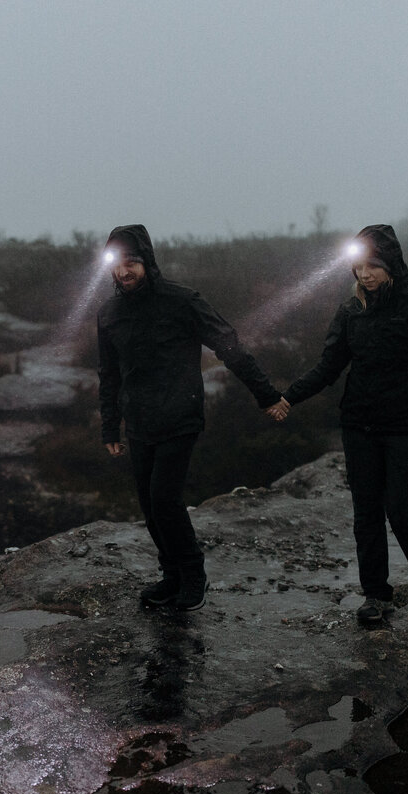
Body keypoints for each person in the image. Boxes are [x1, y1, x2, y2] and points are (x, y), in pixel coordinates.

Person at [97, 224, 286, 611]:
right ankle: (171, 576)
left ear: (147, 261)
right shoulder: (110, 312)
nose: (125, 271)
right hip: (139, 421)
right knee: (149, 506)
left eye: (132, 262)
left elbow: (227, 345)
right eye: (117, 264)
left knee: (164, 500)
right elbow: (109, 372)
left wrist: (265, 394)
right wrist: (109, 424)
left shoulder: (181, 301)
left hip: (180, 414)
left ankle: (193, 576)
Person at [270, 224, 408, 625]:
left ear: (392, 266)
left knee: (402, 510)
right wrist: (289, 396)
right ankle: (376, 595)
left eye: (373, 266)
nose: (365, 274)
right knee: (366, 513)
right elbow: (328, 366)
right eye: (358, 267)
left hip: (405, 426)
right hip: (359, 426)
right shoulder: (352, 312)